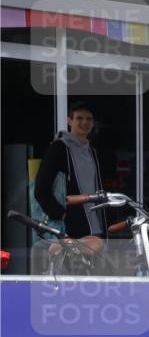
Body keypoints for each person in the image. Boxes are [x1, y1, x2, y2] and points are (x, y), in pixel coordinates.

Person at [34, 101, 106, 257]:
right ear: (69, 121)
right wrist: (60, 214)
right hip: (69, 228)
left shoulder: (92, 152)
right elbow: (41, 189)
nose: (84, 122)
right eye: (79, 118)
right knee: (71, 275)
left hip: (93, 227)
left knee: (91, 275)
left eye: (88, 119)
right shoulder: (59, 148)